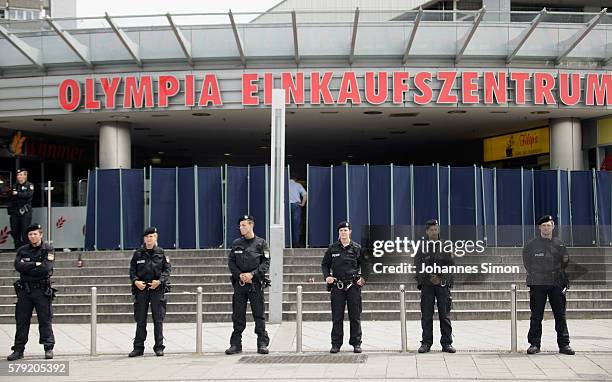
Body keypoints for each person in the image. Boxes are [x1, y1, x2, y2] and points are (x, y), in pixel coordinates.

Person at [523, 215, 574, 355]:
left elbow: (565, 262)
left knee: (560, 314)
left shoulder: (559, 244)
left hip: (556, 283)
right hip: (538, 283)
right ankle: (534, 344)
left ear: (553, 227)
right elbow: (527, 263)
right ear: (539, 227)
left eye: (549, 225)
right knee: (536, 315)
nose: (546, 227)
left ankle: (564, 345)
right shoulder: (531, 245)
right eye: (544, 225)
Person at [7, 224, 56, 361]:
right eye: (30, 234)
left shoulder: (48, 249)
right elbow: (18, 266)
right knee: (21, 321)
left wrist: (28, 268)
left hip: (41, 291)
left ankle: (48, 348)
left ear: (41, 235)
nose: (32, 237)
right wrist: (35, 264)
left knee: (45, 320)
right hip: (25, 291)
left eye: (35, 234)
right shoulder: (23, 250)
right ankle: (18, 350)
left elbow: (46, 268)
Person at [225, 215, 270, 355]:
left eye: (244, 225)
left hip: (255, 284)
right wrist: (240, 275)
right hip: (240, 284)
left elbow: (266, 263)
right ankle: (235, 344)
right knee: (238, 315)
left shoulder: (261, 243)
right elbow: (231, 262)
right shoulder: (236, 243)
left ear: (251, 225)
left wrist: (252, 274)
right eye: (240, 225)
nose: (241, 228)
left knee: (259, 314)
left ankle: (262, 343)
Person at [321, 221, 368, 354]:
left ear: (350, 232)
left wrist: (363, 279)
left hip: (353, 286)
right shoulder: (332, 248)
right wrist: (327, 277)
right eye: (341, 230)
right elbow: (325, 264)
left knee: (355, 316)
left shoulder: (357, 248)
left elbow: (366, 266)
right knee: (337, 317)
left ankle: (356, 343)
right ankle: (336, 344)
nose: (343, 233)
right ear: (338, 233)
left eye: (345, 230)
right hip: (338, 286)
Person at [413, 219, 456, 353]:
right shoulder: (421, 246)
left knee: (445, 315)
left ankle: (447, 343)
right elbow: (418, 266)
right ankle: (426, 343)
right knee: (426, 315)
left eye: (435, 229)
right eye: (431, 229)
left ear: (438, 230)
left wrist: (441, 278)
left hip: (442, 285)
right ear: (427, 231)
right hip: (427, 285)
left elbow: (451, 265)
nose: (433, 231)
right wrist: (428, 278)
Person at [129, 227, 171, 357]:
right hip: (141, 289)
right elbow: (132, 271)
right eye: (147, 236)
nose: (149, 239)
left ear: (156, 238)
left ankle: (159, 347)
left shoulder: (161, 253)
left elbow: (167, 270)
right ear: (144, 239)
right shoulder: (138, 254)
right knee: (140, 319)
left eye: (152, 236)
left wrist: (160, 281)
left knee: (158, 319)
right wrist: (136, 281)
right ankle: (138, 348)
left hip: (156, 289)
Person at [8, 169, 34, 249]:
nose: (19, 176)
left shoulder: (29, 185)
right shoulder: (14, 186)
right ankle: (18, 246)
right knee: (14, 230)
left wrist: (18, 194)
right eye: (18, 175)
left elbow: (28, 195)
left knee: (25, 230)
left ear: (25, 176)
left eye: (21, 175)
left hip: (25, 210)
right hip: (15, 211)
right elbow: (10, 197)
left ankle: (26, 248)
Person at [288, 178, 307, 247]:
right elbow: (305, 194)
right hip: (296, 205)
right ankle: (296, 243)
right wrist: (303, 203)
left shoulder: (285, 184)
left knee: (287, 225)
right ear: (295, 179)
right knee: (296, 225)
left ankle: (287, 242)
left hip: (286, 205)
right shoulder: (298, 185)